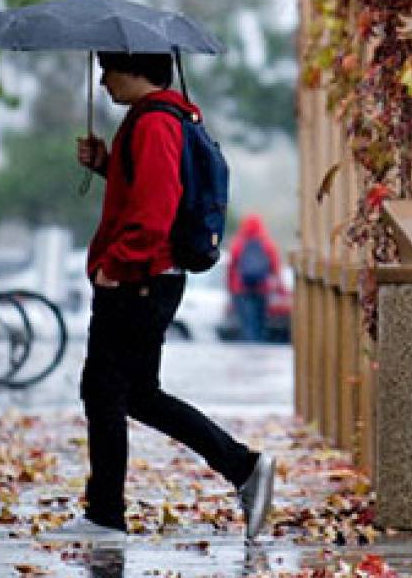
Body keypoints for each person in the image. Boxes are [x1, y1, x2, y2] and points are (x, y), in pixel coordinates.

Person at [71, 50, 275, 539]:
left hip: (138, 279)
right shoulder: (158, 119)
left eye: (109, 70)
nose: (103, 82)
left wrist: (115, 268)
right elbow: (150, 191)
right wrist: (107, 165)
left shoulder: (155, 123)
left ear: (134, 69)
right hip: (148, 278)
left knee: (103, 390)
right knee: (137, 394)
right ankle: (242, 468)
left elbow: (157, 209)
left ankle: (104, 516)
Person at [227, 215, 281, 342]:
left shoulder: (238, 243)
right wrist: (279, 287)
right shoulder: (266, 243)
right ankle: (258, 348)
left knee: (247, 323)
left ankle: (249, 349)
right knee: (260, 323)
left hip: (241, 289)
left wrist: (230, 287)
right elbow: (275, 267)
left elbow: (231, 267)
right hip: (262, 288)